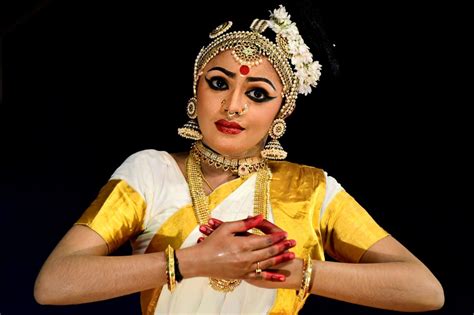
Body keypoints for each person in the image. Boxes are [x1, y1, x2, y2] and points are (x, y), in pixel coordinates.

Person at [34, 4, 444, 314]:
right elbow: (54, 284)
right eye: (218, 83)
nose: (233, 106)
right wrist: (192, 263)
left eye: (258, 93)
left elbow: (425, 290)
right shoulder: (151, 172)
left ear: (282, 111)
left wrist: (300, 273)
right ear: (196, 91)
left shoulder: (311, 190)